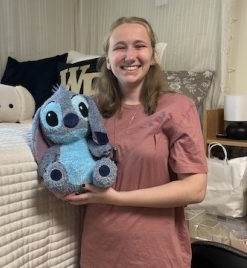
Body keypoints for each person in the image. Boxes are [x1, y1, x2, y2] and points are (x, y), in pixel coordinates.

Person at [61, 16, 208, 268]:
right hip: (99, 251)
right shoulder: (88, 110)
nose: (130, 55)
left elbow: (195, 188)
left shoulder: (178, 107)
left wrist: (117, 198)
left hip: (155, 254)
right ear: (107, 60)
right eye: (119, 47)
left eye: (139, 46)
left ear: (153, 57)